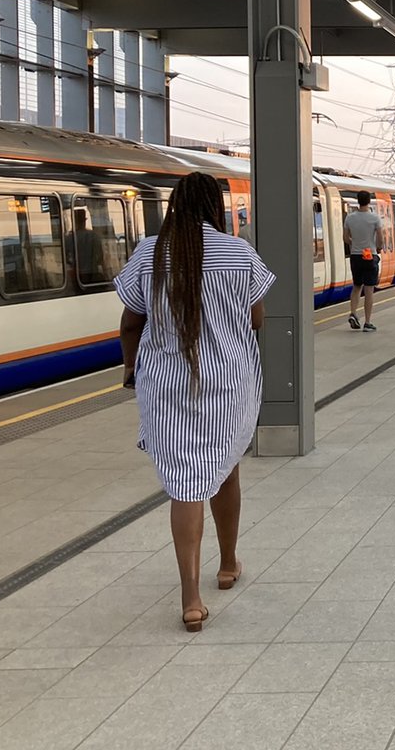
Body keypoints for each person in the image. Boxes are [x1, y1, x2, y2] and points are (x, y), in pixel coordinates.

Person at [116, 172, 273, 632]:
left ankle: (190, 596)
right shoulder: (238, 253)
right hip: (227, 383)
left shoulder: (150, 253)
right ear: (213, 206)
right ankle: (227, 564)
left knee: (186, 487)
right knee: (226, 470)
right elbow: (256, 319)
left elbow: (130, 322)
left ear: (175, 205)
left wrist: (129, 367)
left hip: (167, 386)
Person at [343, 190, 381, 332]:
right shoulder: (375, 218)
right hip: (369, 255)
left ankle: (353, 313)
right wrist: (378, 247)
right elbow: (380, 239)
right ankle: (368, 322)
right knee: (369, 290)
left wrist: (354, 243)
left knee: (357, 286)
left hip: (355, 256)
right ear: (369, 201)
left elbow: (345, 238)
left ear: (358, 201)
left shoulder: (350, 218)